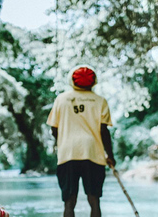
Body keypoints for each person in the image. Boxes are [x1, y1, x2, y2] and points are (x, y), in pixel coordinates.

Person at [47, 65, 116, 217]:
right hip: (93, 153)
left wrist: (64, 141)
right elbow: (104, 131)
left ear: (72, 80)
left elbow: (54, 129)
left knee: (69, 202)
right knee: (94, 200)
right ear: (93, 82)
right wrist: (110, 155)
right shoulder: (100, 101)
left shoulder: (62, 99)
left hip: (68, 154)